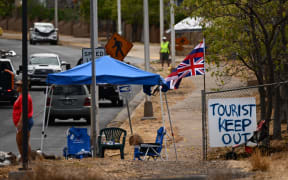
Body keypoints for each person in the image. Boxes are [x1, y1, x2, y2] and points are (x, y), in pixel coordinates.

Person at [13, 80, 34, 161]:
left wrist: (20, 122)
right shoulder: (21, 95)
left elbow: (23, 111)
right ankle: (24, 158)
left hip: (25, 121)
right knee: (21, 142)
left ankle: (27, 159)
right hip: (24, 121)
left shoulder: (25, 97)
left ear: (23, 87)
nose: (16, 86)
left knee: (22, 142)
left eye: (18, 85)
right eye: (17, 85)